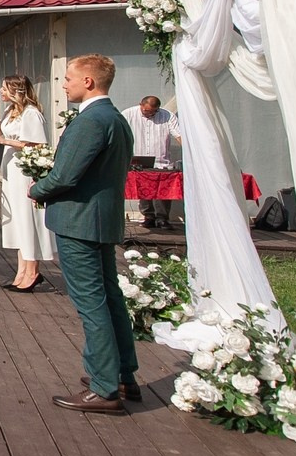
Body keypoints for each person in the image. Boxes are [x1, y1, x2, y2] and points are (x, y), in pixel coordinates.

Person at [29, 54, 138, 414]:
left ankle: (105, 387)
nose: (64, 84)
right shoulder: (117, 119)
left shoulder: (90, 121)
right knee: (109, 297)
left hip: (79, 222)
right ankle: (122, 375)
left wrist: (36, 189)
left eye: (68, 78)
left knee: (91, 303)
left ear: (88, 82)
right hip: (102, 220)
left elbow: (64, 176)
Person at [0, 75, 55, 293]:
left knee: (28, 218)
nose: (1, 91)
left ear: (16, 90)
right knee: (17, 220)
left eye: (5, 88)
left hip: (25, 172)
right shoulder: (10, 112)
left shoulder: (32, 113)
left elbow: (35, 144)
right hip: (11, 172)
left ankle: (32, 271)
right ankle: (21, 271)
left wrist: (5, 141)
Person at [126, 95, 182, 229]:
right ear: (140, 105)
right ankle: (148, 217)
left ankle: (162, 218)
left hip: (161, 160)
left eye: (153, 112)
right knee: (144, 189)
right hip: (139, 161)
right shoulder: (128, 114)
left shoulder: (167, 116)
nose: (150, 114)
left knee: (163, 190)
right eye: (146, 111)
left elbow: (179, 135)